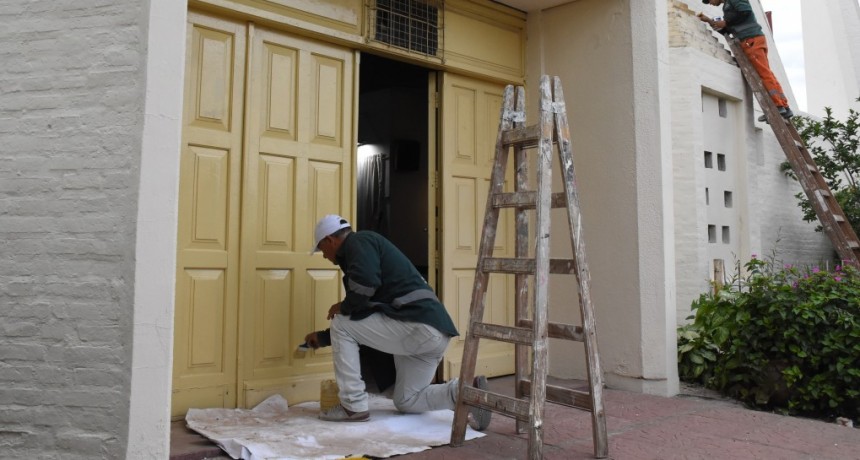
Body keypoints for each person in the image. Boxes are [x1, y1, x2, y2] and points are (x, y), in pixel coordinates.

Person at [304, 214, 491, 430]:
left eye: (321, 249)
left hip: (417, 326)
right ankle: (467, 391)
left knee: (341, 323)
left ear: (330, 240)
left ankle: (352, 406)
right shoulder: (365, 249)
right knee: (407, 401)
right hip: (434, 333)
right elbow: (365, 321)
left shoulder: (358, 242)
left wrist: (343, 307)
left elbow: (364, 288)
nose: (324, 256)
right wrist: (324, 338)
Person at [698, 0, 793, 122]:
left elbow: (745, 11)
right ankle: (783, 106)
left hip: (750, 40)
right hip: (752, 39)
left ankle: (778, 106)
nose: (710, 3)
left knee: (763, 74)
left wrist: (726, 22)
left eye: (709, 0)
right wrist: (710, 21)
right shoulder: (728, 6)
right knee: (766, 72)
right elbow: (729, 29)